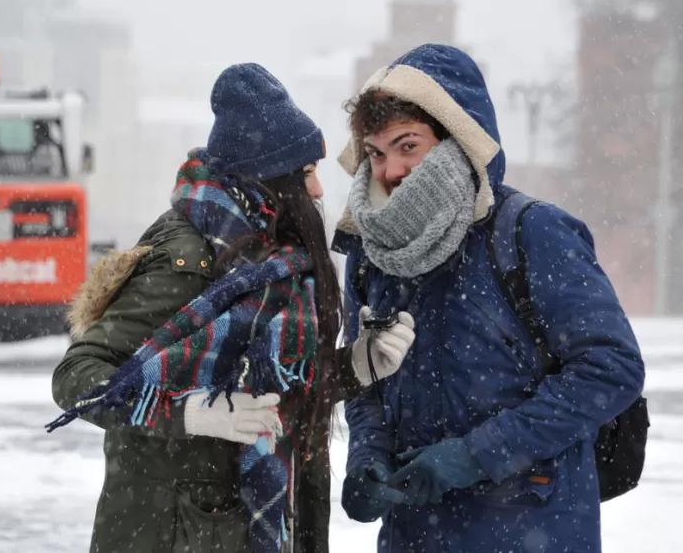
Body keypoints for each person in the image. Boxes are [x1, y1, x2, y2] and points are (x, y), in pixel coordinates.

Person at [47, 62, 415, 553]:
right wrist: (193, 413)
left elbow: (276, 385)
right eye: (305, 173)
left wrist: (359, 366)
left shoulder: (279, 264)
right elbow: (77, 379)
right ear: (269, 179)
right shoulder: (187, 256)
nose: (318, 191)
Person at [334, 43, 645, 552]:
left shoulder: (532, 233)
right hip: (414, 534)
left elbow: (611, 369)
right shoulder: (372, 256)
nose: (390, 171)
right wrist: (367, 455)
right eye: (376, 153)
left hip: (531, 527)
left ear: (458, 140)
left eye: (408, 146)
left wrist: (477, 455)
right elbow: (366, 382)